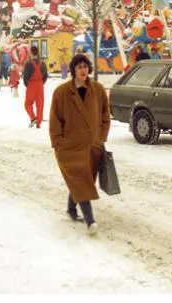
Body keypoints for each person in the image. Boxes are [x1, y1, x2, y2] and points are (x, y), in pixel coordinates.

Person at [49, 53, 110, 234]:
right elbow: (55, 120)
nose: (83, 70)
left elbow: (105, 116)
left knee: (82, 181)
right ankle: (90, 222)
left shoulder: (98, 90)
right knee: (81, 181)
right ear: (73, 70)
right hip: (70, 148)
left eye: (85, 66)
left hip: (92, 146)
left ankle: (71, 208)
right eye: (79, 67)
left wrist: (101, 138)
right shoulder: (61, 92)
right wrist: (58, 142)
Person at [23, 45, 49, 128]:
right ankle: (39, 122)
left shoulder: (28, 63)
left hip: (31, 85)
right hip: (40, 85)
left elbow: (25, 76)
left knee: (28, 104)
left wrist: (27, 84)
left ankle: (33, 118)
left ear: (31, 53)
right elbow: (45, 75)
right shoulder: (43, 63)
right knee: (40, 104)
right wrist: (42, 83)